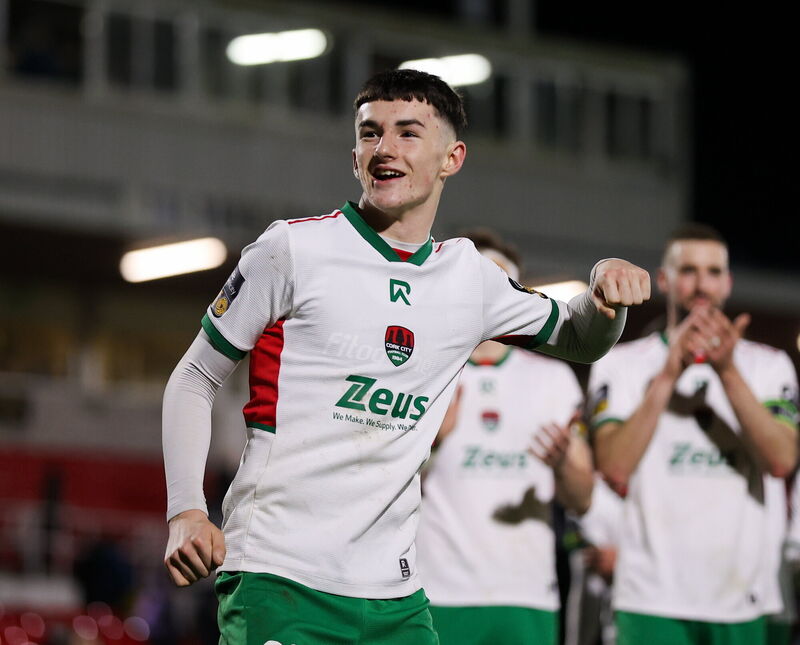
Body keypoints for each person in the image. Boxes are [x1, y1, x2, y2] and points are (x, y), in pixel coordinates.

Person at [162, 68, 650, 645]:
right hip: (281, 575)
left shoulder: (470, 277)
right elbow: (195, 376)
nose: (384, 149)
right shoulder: (291, 249)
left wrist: (604, 293)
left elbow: (580, 338)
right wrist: (186, 510)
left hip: (396, 597)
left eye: (407, 133)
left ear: (452, 158)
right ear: (354, 155)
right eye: (370, 134)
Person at [590, 223, 799, 645]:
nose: (701, 284)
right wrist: (668, 376)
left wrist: (726, 371)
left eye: (713, 272)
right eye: (688, 270)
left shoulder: (768, 366)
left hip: (743, 596)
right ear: (664, 280)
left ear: (728, 282)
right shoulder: (622, 365)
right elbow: (614, 465)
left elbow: (781, 460)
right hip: (651, 597)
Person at [415, 229, 593, 645]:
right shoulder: (424, 369)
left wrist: (565, 462)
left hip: (527, 596)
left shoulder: (553, 377)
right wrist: (431, 441)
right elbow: (375, 480)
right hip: (436, 594)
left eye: (500, 278)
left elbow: (583, 498)